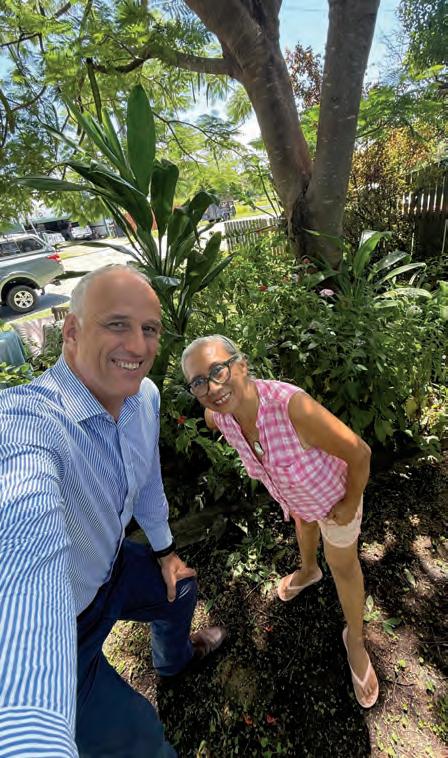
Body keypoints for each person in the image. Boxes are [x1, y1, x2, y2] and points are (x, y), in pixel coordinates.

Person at [0, 265, 226, 758]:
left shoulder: (144, 397)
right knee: (143, 740)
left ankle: (174, 663)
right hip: (67, 627)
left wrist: (165, 551)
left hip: (113, 565)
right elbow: (24, 550)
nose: (139, 345)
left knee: (183, 590)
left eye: (150, 329)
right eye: (117, 324)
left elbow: (147, 479)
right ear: (71, 331)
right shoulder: (24, 423)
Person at [181, 334, 379, 709]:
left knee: (343, 566)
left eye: (219, 371)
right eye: (199, 382)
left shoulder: (293, 408)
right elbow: (211, 416)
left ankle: (354, 639)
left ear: (242, 366)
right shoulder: (219, 414)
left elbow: (361, 454)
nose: (212, 388)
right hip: (298, 498)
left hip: (336, 499)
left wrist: (351, 501)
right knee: (303, 523)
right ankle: (308, 570)